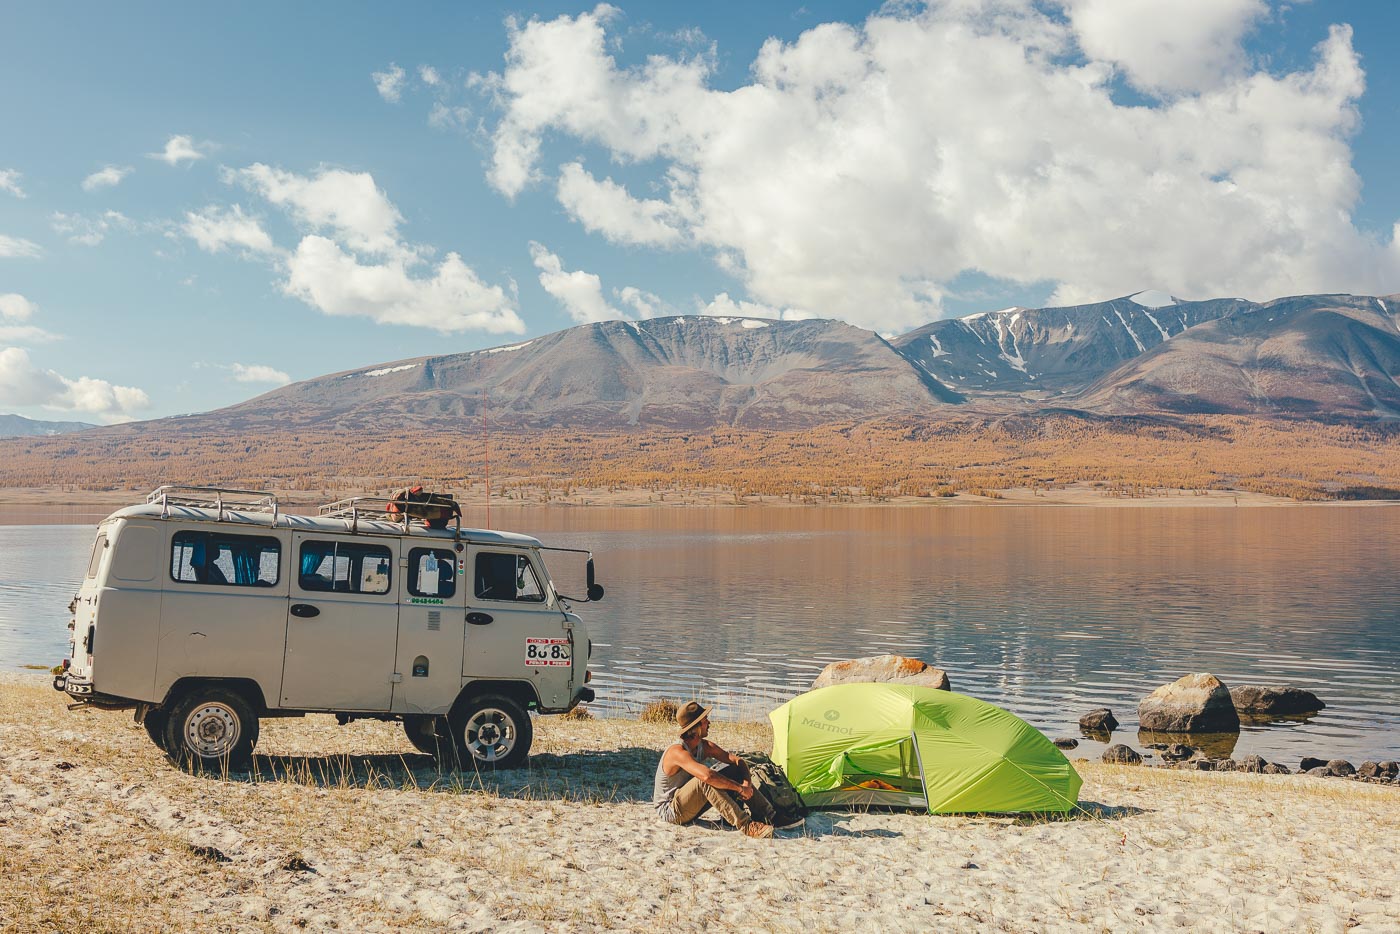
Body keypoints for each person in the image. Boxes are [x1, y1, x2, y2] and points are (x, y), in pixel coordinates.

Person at [653, 700, 777, 838]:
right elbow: (707, 777)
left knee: (732, 769)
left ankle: (769, 815)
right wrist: (739, 789)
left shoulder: (703, 746)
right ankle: (746, 825)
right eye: (705, 720)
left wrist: (746, 783)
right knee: (706, 780)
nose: (709, 723)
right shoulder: (677, 751)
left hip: (689, 804)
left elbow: (737, 760)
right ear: (696, 727)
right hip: (671, 811)